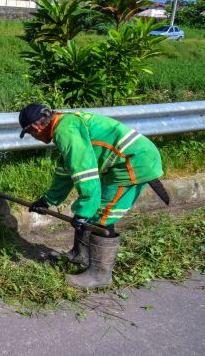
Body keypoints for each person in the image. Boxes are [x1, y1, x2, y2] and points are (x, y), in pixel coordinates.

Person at [18, 103, 166, 290]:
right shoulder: (64, 124)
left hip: (133, 162)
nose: (35, 137)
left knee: (100, 217)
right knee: (88, 211)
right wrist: (47, 201)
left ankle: (100, 275)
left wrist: (85, 209)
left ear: (36, 127)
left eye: (31, 134)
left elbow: (84, 172)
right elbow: (66, 171)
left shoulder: (65, 131)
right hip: (124, 161)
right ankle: (80, 255)